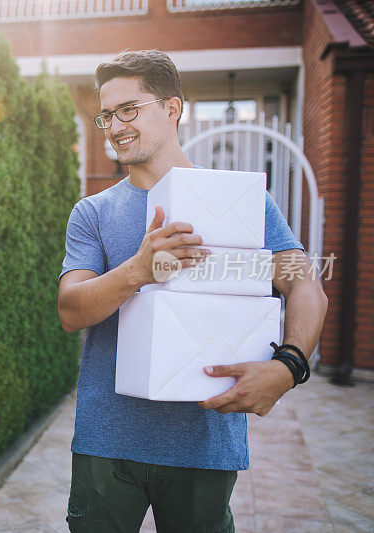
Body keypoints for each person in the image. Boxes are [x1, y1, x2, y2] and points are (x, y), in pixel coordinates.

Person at [58, 50, 327, 532]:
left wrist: (289, 367)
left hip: (205, 440)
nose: (114, 126)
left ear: (172, 108)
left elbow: (304, 281)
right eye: (105, 115)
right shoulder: (92, 213)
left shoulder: (238, 201)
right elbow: (71, 310)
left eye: (129, 109)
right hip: (107, 443)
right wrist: (138, 270)